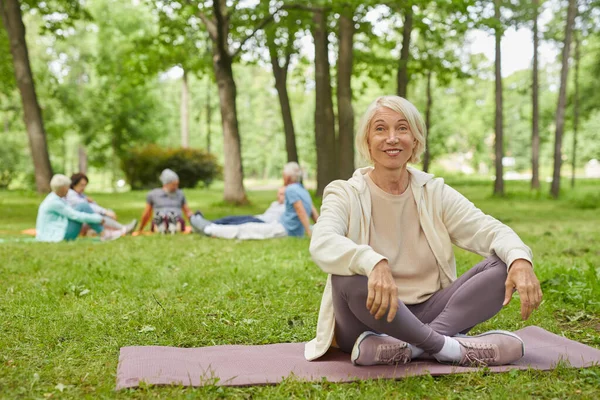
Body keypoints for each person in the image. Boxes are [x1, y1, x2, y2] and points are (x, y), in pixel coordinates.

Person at [306, 95, 542, 368]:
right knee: (346, 277)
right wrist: (372, 262)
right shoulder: (344, 192)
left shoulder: (434, 191)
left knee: (503, 263)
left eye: (402, 128)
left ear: (415, 140)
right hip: (367, 319)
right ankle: (449, 348)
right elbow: (322, 241)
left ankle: (410, 348)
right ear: (367, 142)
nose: (392, 138)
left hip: (431, 312)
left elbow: (488, 230)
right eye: (380, 129)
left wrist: (520, 260)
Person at [191, 163, 319, 240]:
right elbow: (312, 210)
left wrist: (308, 233)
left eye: (283, 174)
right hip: (285, 227)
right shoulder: (303, 190)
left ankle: (208, 229)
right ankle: (208, 226)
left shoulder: (290, 190)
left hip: (284, 229)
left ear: (287, 176)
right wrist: (319, 227)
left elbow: (300, 210)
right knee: (245, 227)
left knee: (245, 229)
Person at [36, 174, 125, 242]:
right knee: (83, 207)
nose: (68, 189)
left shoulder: (54, 198)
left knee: (84, 206)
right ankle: (106, 233)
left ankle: (106, 232)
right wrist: (98, 218)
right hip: (57, 236)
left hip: (56, 232)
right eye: (67, 187)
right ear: (63, 188)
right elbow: (75, 216)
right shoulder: (54, 202)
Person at [66, 173, 137, 234]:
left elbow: (94, 205)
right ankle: (123, 229)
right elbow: (89, 208)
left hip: (84, 220)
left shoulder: (81, 195)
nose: (83, 188)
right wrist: (105, 212)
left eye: (85, 185)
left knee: (108, 212)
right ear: (74, 184)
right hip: (77, 223)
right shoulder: (71, 195)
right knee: (100, 217)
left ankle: (94, 231)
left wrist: (92, 201)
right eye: (81, 185)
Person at [190, 186, 286, 231]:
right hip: (257, 217)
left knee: (236, 224)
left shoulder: (286, 207)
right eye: (278, 193)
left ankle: (208, 227)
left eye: (281, 194)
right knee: (230, 218)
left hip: (263, 223)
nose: (278, 196)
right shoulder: (275, 204)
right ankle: (207, 222)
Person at [136, 169, 194, 234]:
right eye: (173, 185)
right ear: (166, 184)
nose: (176, 187)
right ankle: (164, 224)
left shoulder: (180, 194)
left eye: (177, 184)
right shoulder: (153, 194)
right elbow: (147, 213)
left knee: (177, 221)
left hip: (177, 220)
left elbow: (187, 211)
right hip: (159, 219)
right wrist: (140, 228)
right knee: (159, 219)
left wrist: (195, 222)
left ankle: (171, 224)